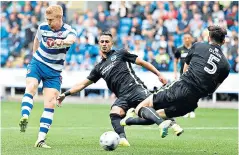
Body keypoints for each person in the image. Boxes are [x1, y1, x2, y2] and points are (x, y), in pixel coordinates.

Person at [57, 31, 183, 146]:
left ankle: (171, 125)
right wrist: (65, 94)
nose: (104, 44)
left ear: (111, 43)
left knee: (151, 108)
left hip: (135, 88)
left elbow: (142, 62)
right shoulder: (99, 67)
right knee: (115, 113)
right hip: (122, 96)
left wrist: (159, 74)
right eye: (102, 41)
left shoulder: (120, 53)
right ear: (99, 44)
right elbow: (82, 84)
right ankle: (122, 139)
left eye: (107, 41)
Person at [123, 25, 230, 138]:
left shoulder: (198, 45)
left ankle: (159, 123)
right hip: (192, 101)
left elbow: (185, 68)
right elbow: (212, 89)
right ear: (223, 41)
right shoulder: (226, 65)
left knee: (141, 107)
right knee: (158, 114)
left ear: (209, 38)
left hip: (181, 87)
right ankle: (128, 121)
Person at [19, 5, 77, 148]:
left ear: (60, 18)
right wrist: (34, 56)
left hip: (54, 73)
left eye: (51, 20)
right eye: (47, 19)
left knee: (50, 103)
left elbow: (71, 40)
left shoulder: (69, 31)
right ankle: (25, 116)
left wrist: (62, 41)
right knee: (31, 86)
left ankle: (40, 139)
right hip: (38, 64)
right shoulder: (43, 27)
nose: (49, 22)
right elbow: (36, 40)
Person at [174, 33, 196, 118]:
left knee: (193, 93)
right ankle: (185, 110)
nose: (187, 39)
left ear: (191, 39)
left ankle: (192, 110)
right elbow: (175, 61)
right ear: (183, 39)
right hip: (183, 74)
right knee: (183, 93)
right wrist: (175, 73)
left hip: (194, 74)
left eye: (188, 38)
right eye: (185, 38)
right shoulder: (179, 49)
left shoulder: (195, 49)